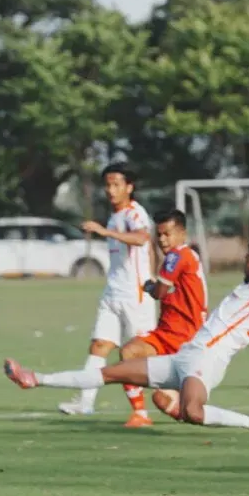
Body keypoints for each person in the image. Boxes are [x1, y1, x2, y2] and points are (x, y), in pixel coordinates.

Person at [3, 219, 249, 437]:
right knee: (113, 372)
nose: (243, 261)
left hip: (207, 362)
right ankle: (35, 380)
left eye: (248, 258)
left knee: (193, 412)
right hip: (184, 355)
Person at [61, 163, 156, 417]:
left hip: (134, 296)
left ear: (129, 187)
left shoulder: (134, 213)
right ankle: (85, 402)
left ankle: (144, 411)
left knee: (137, 355)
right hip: (113, 293)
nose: (111, 190)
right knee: (99, 346)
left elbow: (141, 238)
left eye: (116, 185)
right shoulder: (115, 216)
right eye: (108, 185)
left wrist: (103, 231)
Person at [108, 209, 208, 428]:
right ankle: (141, 414)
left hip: (186, 338)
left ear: (182, 233)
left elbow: (159, 293)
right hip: (165, 333)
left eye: (167, 234)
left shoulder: (178, 255)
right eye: (159, 234)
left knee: (167, 398)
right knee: (129, 352)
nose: (162, 240)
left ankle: (182, 406)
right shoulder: (185, 256)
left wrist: (149, 285)